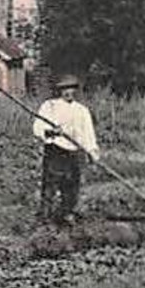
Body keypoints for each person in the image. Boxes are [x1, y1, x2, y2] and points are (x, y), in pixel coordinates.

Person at [33, 74, 99, 225]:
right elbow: (38, 128)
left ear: (75, 90)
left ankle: (67, 214)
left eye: (71, 88)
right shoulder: (49, 106)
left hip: (74, 152)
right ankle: (45, 218)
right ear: (59, 91)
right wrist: (52, 131)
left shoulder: (82, 110)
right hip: (56, 150)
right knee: (50, 185)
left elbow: (88, 133)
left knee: (72, 185)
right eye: (65, 89)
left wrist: (92, 151)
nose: (68, 92)